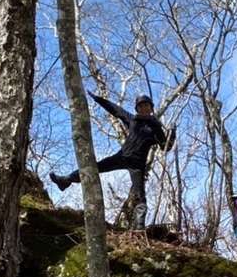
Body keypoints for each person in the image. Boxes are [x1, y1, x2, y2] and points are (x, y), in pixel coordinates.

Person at [50, 92, 175, 230]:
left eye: (146, 105)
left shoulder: (156, 128)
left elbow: (165, 146)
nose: (143, 108)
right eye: (140, 106)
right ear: (137, 109)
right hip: (121, 157)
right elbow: (115, 109)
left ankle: (140, 226)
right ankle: (65, 180)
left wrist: (172, 134)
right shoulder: (132, 120)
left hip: (137, 165)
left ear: (151, 108)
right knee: (92, 168)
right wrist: (97, 99)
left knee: (140, 194)